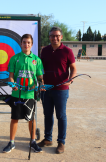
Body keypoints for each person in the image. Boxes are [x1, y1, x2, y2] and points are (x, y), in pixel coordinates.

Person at [3, 34, 44, 153]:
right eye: (24, 42)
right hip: (17, 95)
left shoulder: (37, 60)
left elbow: (40, 78)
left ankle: (33, 142)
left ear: (32, 44)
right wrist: (12, 84)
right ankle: (11, 142)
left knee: (31, 119)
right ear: (21, 44)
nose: (26, 44)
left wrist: (40, 85)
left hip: (30, 95)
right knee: (14, 118)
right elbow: (10, 77)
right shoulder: (14, 58)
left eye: (28, 42)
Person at [38, 26, 77, 154]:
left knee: (61, 115)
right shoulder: (44, 51)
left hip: (61, 89)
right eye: (52, 36)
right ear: (49, 37)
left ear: (61, 37)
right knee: (47, 114)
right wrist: (41, 83)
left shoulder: (67, 51)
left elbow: (73, 68)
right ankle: (48, 139)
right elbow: (40, 69)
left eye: (57, 35)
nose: (55, 38)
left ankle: (61, 142)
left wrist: (70, 79)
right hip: (46, 88)